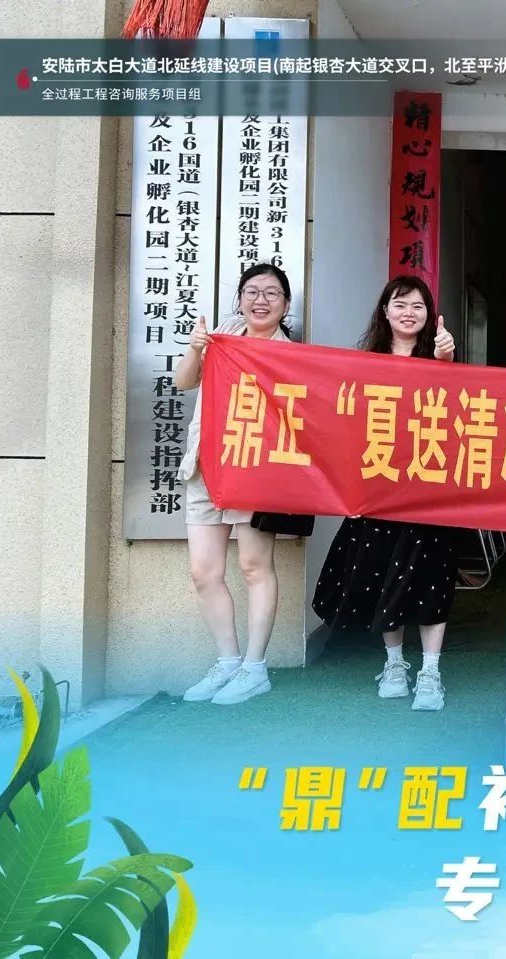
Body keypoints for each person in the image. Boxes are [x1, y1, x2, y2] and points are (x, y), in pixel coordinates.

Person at [311, 275, 458, 711]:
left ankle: (431, 672)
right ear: (385, 311)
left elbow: (459, 415)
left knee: (432, 578)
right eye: (400, 304)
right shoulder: (365, 363)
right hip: (380, 487)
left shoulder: (442, 356)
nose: (409, 313)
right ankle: (394, 664)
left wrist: (446, 362)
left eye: (418, 305)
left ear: (430, 314)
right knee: (384, 575)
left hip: (431, 488)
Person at [175, 263, 296, 705]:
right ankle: (227, 662)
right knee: (203, 571)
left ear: (285, 305)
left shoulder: (290, 354)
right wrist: (196, 349)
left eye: (272, 293)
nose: (261, 300)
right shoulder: (220, 335)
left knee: (253, 566)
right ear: (240, 298)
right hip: (206, 467)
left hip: (255, 470)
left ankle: (254, 667)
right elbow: (183, 382)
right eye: (252, 291)